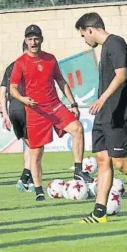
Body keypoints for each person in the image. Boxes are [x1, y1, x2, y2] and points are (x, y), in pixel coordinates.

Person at [75, 12, 127, 223]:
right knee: (102, 161)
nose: (84, 40)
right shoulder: (105, 49)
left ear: (90, 30)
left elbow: (121, 75)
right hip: (103, 116)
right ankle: (99, 213)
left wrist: (102, 99)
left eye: (83, 35)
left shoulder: (116, 43)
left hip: (118, 114)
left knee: (121, 164)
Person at [10, 24, 93, 202]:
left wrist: (73, 103)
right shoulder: (20, 62)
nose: (33, 42)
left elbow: (61, 81)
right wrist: (24, 99)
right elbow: (12, 89)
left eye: (36, 38)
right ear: (25, 41)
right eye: (30, 39)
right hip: (35, 111)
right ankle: (39, 190)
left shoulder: (50, 59)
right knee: (36, 152)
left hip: (54, 106)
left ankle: (78, 170)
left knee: (77, 128)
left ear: (41, 39)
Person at [0, 41, 34, 192]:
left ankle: (31, 182)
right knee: (36, 146)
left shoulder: (10, 67)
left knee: (30, 145)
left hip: (13, 110)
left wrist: (5, 115)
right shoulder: (29, 65)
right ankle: (25, 177)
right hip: (27, 108)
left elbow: (2, 93)